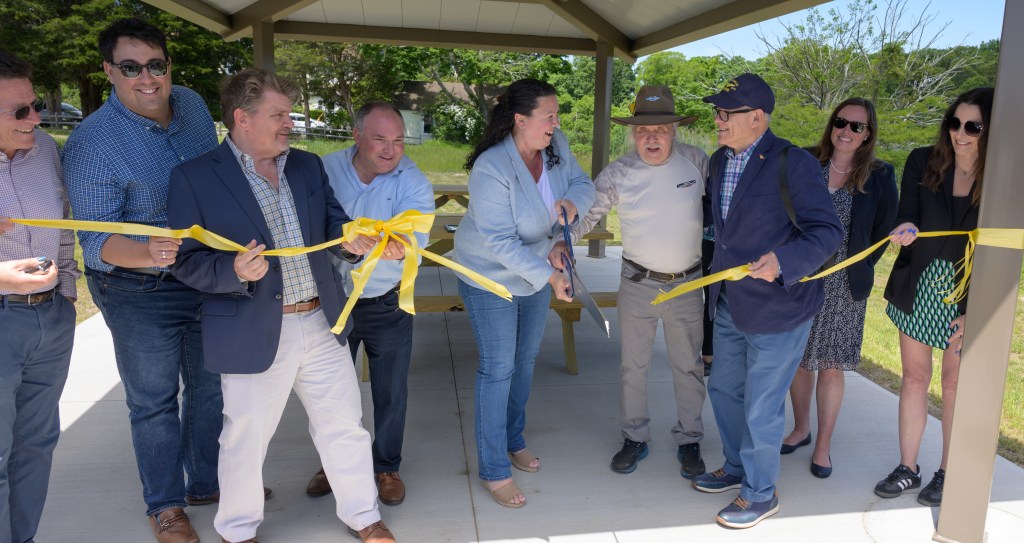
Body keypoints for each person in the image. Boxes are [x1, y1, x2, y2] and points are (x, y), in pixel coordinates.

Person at [167, 67, 397, 543]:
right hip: (250, 328)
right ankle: (237, 530)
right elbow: (185, 262)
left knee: (345, 428)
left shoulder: (308, 165)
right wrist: (231, 271)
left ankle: (363, 517)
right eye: (278, 114)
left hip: (320, 320)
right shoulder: (193, 178)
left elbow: (335, 226)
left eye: (288, 113)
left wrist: (357, 239)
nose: (288, 123)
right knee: (244, 441)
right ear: (241, 118)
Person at [60, 18, 223, 543]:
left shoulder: (194, 106)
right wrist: (150, 252)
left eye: (156, 65)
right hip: (136, 290)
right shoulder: (92, 143)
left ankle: (205, 483)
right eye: (131, 67)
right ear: (110, 71)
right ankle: (166, 506)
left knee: (209, 387)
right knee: (153, 402)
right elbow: (96, 245)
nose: (147, 78)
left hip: (203, 274)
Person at [691, 73, 842, 529]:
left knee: (761, 404)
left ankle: (760, 493)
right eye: (717, 111)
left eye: (726, 112)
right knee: (723, 389)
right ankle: (736, 467)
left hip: (781, 306)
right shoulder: (718, 161)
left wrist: (783, 260)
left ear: (757, 117)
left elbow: (827, 232)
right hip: (728, 302)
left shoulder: (791, 162)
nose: (717, 119)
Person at [455, 78, 595, 508]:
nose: (556, 122)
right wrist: (550, 275)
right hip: (489, 274)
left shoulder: (556, 145)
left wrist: (572, 205)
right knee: (498, 367)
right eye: (548, 115)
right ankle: (494, 468)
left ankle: (514, 438)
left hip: (537, 268)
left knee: (525, 358)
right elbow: (498, 242)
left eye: (556, 114)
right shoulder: (492, 167)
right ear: (520, 119)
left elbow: (583, 183)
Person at [562, 86, 709, 478]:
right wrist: (560, 245)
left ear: (675, 130)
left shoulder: (698, 162)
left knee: (688, 365)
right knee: (633, 366)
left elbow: (730, 207)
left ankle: (690, 438)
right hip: (638, 281)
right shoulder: (618, 173)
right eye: (643, 131)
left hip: (687, 284)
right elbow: (586, 216)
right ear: (632, 134)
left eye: (660, 129)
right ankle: (634, 437)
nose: (651, 138)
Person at [305, 101, 434, 505]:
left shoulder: (412, 180)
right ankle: (334, 464)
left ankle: (386, 467)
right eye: (379, 139)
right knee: (331, 393)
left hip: (385, 303)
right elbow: (308, 224)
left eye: (398, 141)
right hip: (330, 301)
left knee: (390, 391)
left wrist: (402, 246)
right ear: (356, 135)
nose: (390, 150)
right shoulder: (322, 169)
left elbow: (416, 235)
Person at [875, 87, 994, 508]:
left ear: (990, 129)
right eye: (954, 123)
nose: (960, 134)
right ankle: (908, 467)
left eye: (972, 127)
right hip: (919, 283)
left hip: (967, 292)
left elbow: (1001, 249)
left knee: (955, 384)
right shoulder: (923, 160)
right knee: (914, 378)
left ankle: (950, 470)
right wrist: (905, 227)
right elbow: (906, 210)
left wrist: (975, 309)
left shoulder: (1000, 175)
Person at [780, 98, 898, 478]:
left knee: (830, 366)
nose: (846, 131)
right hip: (800, 277)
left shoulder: (879, 175)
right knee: (799, 360)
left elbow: (882, 232)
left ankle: (824, 447)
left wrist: (859, 268)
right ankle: (800, 429)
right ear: (832, 124)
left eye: (856, 126)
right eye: (841, 122)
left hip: (845, 287)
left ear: (868, 135)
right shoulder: (805, 162)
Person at [0, 50, 79, 543]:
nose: (36, 118)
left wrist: (67, 294)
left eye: (35, 106)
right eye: (20, 111)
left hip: (51, 320)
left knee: (36, 444)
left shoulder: (46, 149)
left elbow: (65, 227)